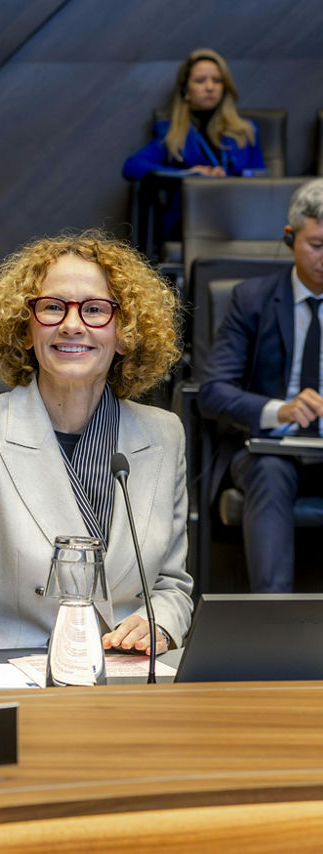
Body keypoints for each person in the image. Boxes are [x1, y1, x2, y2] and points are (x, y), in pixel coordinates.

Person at [0, 231, 193, 661]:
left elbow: (172, 585)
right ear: (25, 330)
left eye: (95, 309)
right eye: (52, 307)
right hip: (4, 671)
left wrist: (159, 624)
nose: (72, 324)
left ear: (126, 333)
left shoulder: (164, 434)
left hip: (124, 672)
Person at [198, 179, 323, 592]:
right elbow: (213, 392)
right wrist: (278, 410)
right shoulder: (252, 299)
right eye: (317, 245)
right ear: (290, 238)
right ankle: (273, 616)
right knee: (271, 469)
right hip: (269, 448)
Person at [122, 48, 264, 181]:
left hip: (236, 198)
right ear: (185, 91)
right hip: (191, 199)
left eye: (217, 80)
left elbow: (261, 180)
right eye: (200, 81)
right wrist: (188, 175)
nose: (210, 87)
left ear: (224, 88)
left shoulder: (246, 131)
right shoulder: (170, 133)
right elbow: (132, 167)